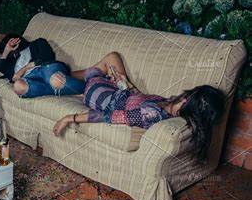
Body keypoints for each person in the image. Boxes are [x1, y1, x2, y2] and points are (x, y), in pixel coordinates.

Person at [53, 52, 226, 160]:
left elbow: (108, 116)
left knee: (93, 72)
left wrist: (70, 118)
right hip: (118, 90)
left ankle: (62, 76)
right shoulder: (170, 103)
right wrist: (126, 83)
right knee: (112, 58)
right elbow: (139, 98)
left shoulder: (153, 115)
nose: (186, 93)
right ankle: (69, 76)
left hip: (101, 97)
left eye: (191, 93)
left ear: (188, 101)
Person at [0, 33, 85, 98]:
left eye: (12, 40)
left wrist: (24, 69)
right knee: (18, 86)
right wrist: (7, 49)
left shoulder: (37, 43)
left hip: (45, 69)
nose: (12, 43)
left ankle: (89, 88)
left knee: (56, 80)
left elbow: (47, 56)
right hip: (30, 79)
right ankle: (63, 90)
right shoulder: (11, 61)